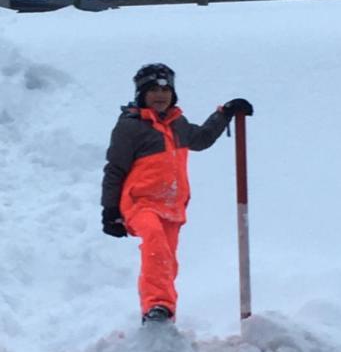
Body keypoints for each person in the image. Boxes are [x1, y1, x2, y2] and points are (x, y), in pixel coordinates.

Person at [101, 63, 253, 325]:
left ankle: (164, 316)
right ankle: (156, 306)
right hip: (140, 203)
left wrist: (225, 113)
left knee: (167, 262)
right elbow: (115, 168)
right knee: (155, 243)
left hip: (172, 207)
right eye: (153, 90)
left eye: (166, 89)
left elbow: (202, 139)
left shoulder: (177, 124)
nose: (160, 95)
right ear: (141, 94)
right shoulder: (131, 127)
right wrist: (110, 211)